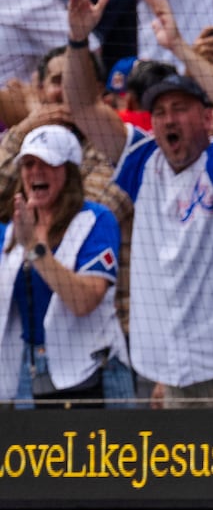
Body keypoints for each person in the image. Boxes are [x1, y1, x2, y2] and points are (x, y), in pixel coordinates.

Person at [66, 0, 213, 406]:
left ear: (207, 118)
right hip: (178, 375)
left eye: (180, 107)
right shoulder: (142, 160)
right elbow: (81, 106)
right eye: (160, 111)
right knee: (189, 477)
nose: (168, 118)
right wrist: (78, 41)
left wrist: (180, 48)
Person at [0, 124, 133, 406]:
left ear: (69, 171)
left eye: (47, 163)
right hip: (29, 372)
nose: (35, 172)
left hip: (93, 371)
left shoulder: (97, 220)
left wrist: (35, 249)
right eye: (28, 163)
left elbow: (84, 300)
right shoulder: (11, 230)